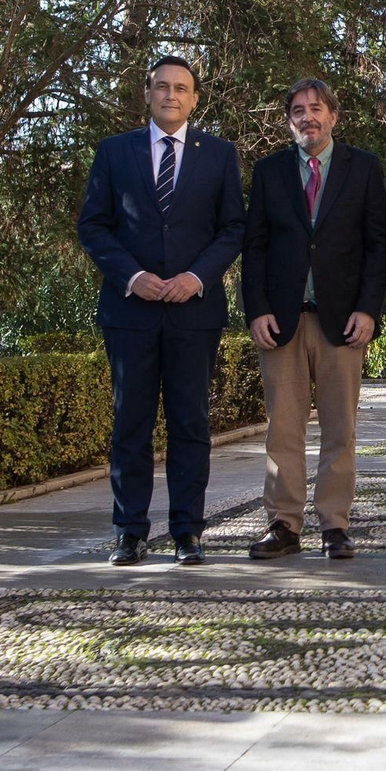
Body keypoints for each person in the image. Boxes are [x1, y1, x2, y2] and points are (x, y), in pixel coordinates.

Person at [77, 55, 245, 566]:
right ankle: (130, 531)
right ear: (147, 94)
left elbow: (233, 228)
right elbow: (94, 226)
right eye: (162, 87)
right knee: (131, 421)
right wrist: (133, 276)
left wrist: (195, 277)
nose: (171, 95)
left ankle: (188, 531)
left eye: (181, 88)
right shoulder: (114, 152)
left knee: (190, 423)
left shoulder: (218, 154)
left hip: (194, 312)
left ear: (194, 98)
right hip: (131, 312)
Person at [241, 77, 386, 561]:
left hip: (343, 321)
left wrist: (369, 309)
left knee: (339, 427)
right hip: (281, 320)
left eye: (317, 108)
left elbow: (377, 247)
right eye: (299, 110)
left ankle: (334, 525)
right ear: (290, 120)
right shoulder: (269, 172)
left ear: (333, 116)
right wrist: (257, 309)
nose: (308, 117)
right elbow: (256, 247)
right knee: (282, 428)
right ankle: (283, 524)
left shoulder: (363, 169)